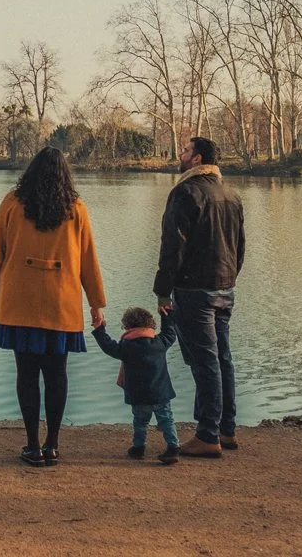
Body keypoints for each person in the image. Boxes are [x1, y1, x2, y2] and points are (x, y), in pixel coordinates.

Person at [0, 146, 106, 467]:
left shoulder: (12, 203)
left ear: (31, 171)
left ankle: (32, 445)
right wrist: (96, 303)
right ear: (66, 174)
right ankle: (52, 445)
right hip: (60, 303)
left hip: (19, 300)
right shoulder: (76, 208)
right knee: (57, 374)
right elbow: (89, 259)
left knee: (26, 374)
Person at [154, 136, 245, 458]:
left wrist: (162, 291)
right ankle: (227, 429)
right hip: (225, 287)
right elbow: (240, 246)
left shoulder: (185, 192)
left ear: (197, 159)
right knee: (223, 358)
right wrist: (229, 279)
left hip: (194, 289)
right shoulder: (231, 194)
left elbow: (172, 247)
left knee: (205, 362)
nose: (180, 154)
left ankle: (208, 434)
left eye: (185, 150)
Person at [91, 306, 180, 463]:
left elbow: (107, 345)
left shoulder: (126, 347)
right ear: (151, 325)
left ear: (127, 327)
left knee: (140, 422)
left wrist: (100, 329)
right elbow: (170, 334)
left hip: (138, 395)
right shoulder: (159, 343)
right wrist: (166, 316)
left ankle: (138, 447)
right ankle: (173, 447)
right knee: (166, 419)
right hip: (161, 393)